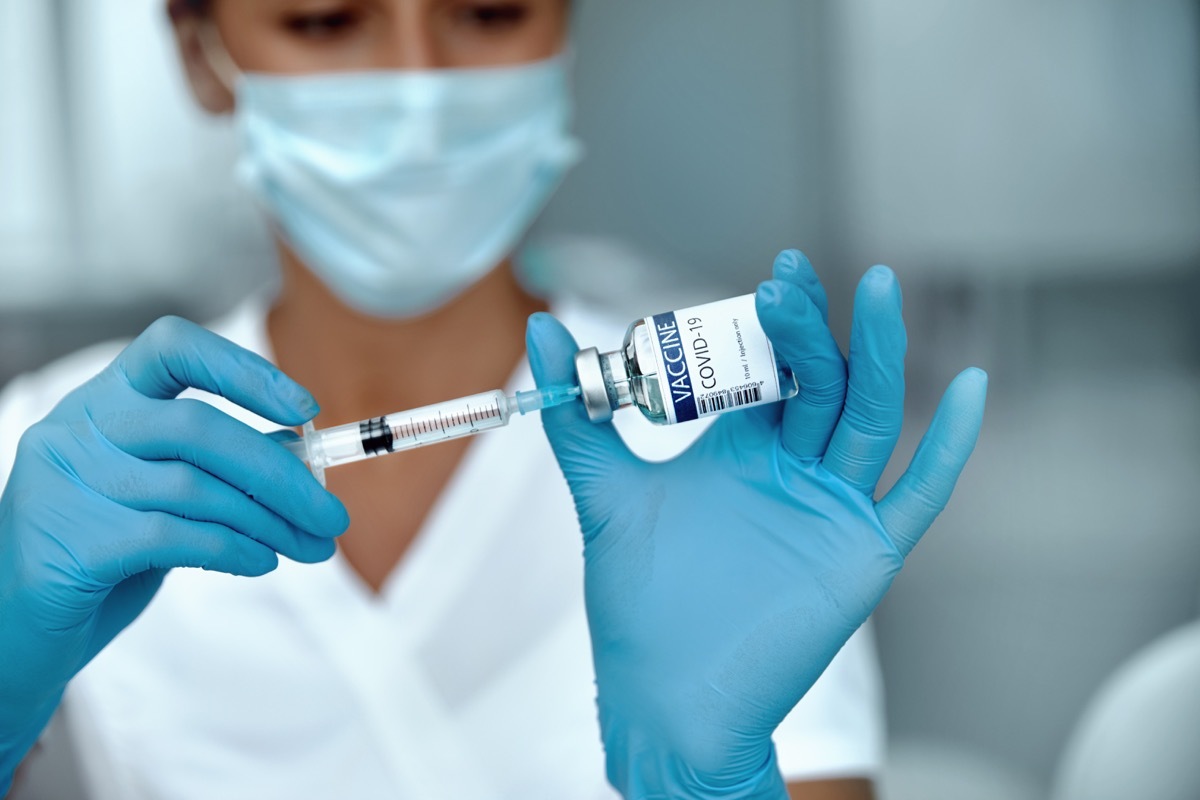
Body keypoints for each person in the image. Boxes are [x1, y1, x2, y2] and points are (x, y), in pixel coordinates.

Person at [0, 1, 987, 798]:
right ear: (200, 52)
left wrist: (707, 788)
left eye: (488, 12)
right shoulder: (71, 467)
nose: (419, 86)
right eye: (327, 21)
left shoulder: (719, 447)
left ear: (564, 31)